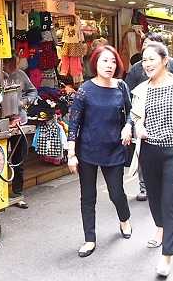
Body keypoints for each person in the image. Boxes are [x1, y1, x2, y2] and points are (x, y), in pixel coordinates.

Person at [129, 42, 173, 277]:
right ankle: (160, 228)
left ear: (164, 60)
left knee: (171, 204)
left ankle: (167, 256)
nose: (147, 63)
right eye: (144, 59)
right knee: (154, 198)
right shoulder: (141, 89)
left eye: (152, 59)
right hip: (149, 151)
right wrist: (138, 126)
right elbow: (136, 116)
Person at [67, 45, 133, 258]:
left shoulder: (121, 87)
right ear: (95, 63)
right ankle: (89, 239)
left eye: (113, 61)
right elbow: (73, 124)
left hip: (114, 149)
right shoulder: (85, 89)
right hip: (87, 151)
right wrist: (71, 154)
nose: (109, 65)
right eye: (105, 61)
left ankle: (124, 220)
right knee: (88, 196)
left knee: (117, 193)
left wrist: (128, 126)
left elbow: (132, 113)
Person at [125, 32, 173, 202]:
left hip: (172, 135)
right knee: (146, 156)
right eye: (144, 47)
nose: (148, 63)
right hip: (145, 128)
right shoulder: (137, 68)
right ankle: (144, 187)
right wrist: (132, 122)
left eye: (151, 47)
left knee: (170, 195)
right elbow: (129, 94)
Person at [0, 52, 38, 209]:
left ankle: (17, 193)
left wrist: (24, 102)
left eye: (17, 63)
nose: (16, 67)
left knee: (18, 159)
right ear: (3, 63)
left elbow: (33, 91)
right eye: (13, 64)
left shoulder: (21, 75)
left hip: (19, 119)